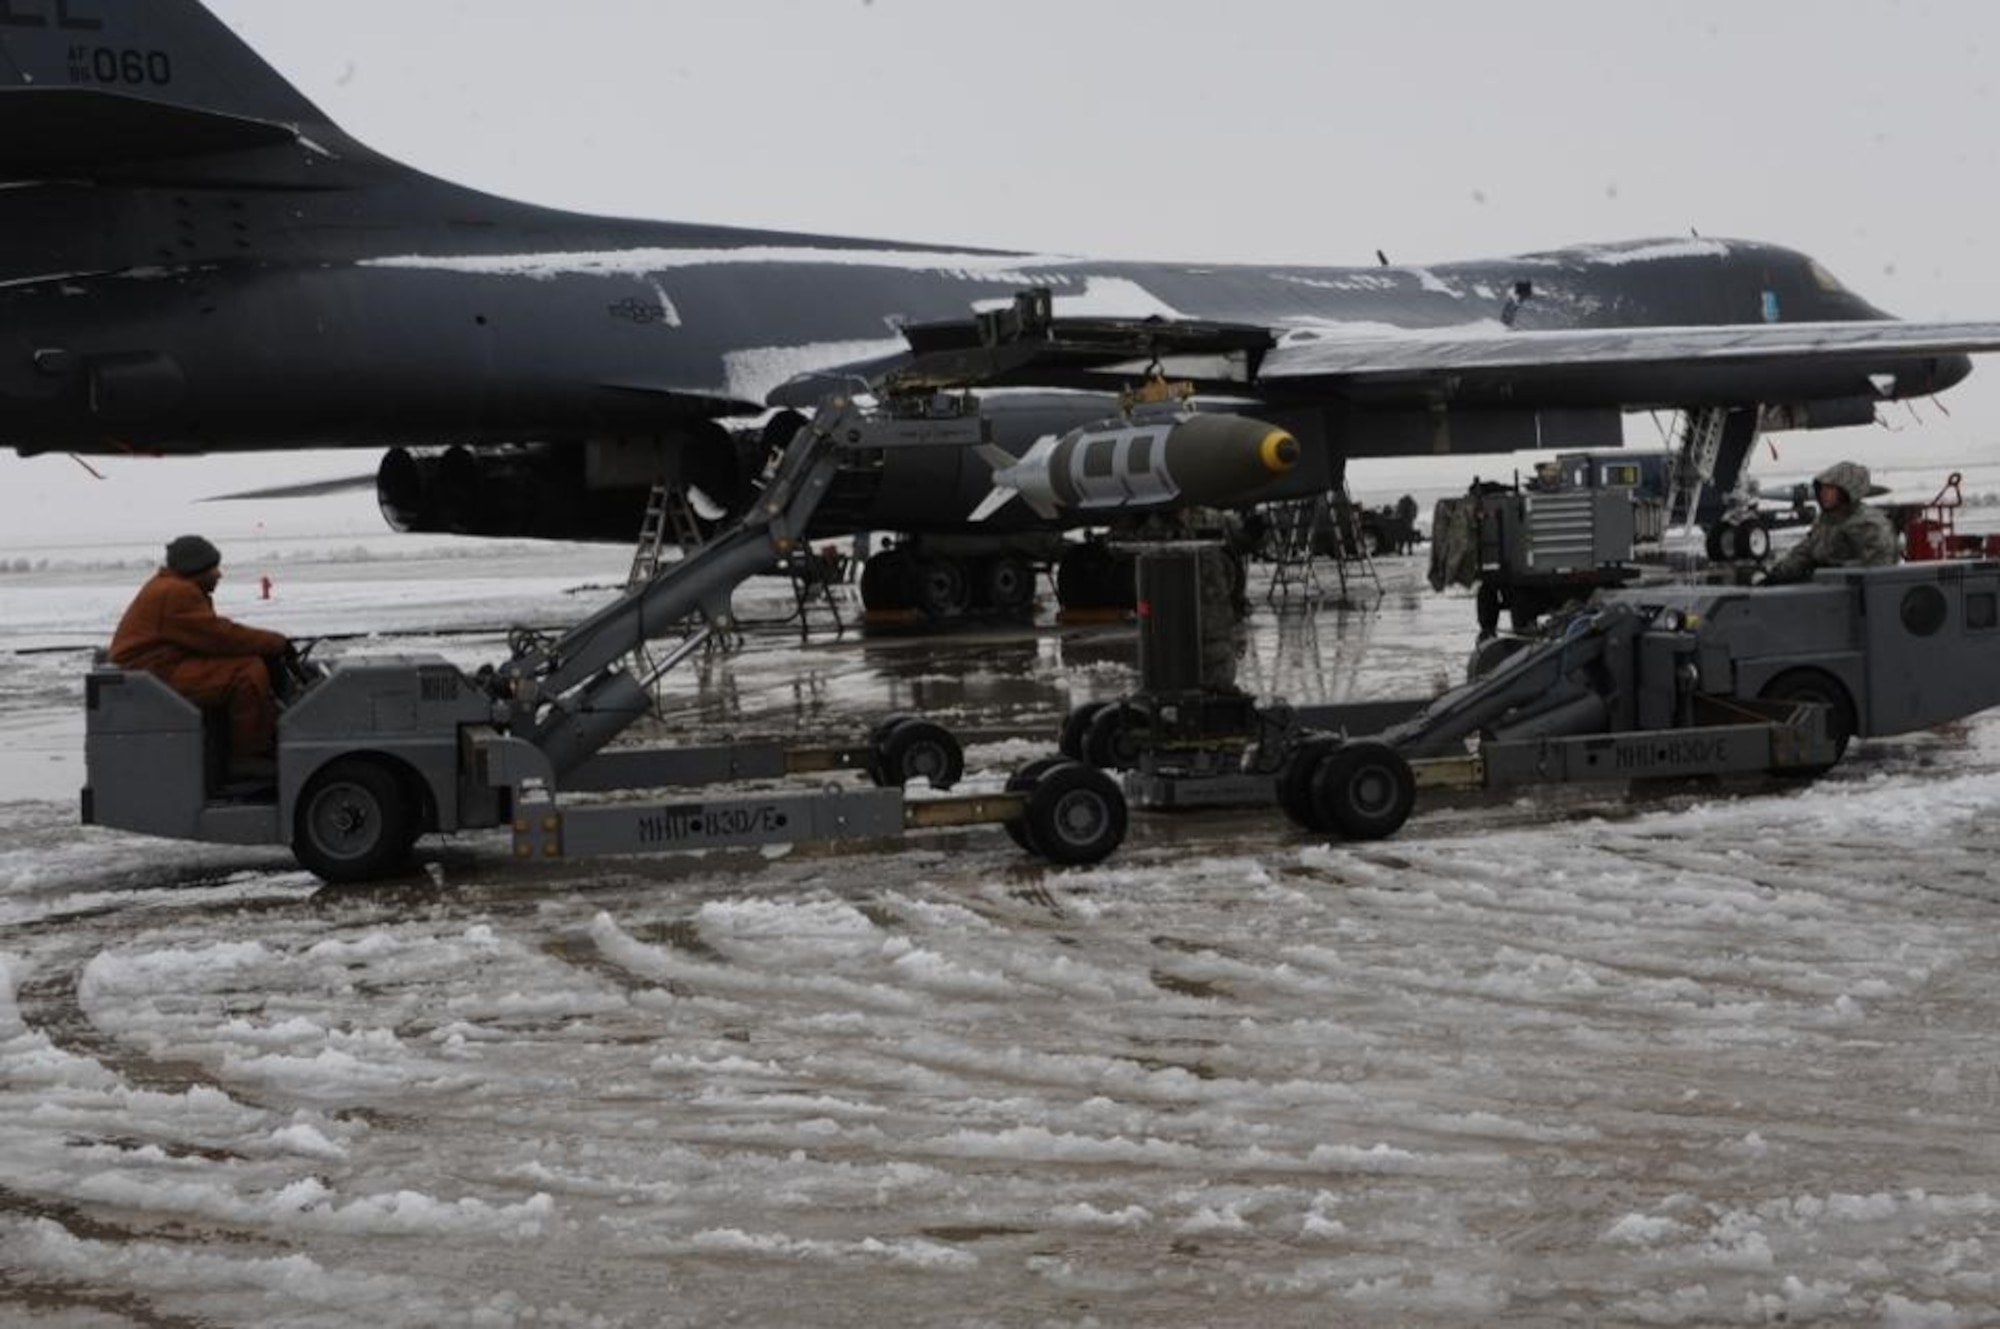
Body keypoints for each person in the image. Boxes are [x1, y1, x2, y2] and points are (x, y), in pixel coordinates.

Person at [110, 535, 292, 774]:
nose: (219, 574)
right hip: (157, 673)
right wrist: (275, 643)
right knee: (247, 673)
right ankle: (247, 756)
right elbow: (220, 637)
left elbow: (210, 637)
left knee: (244, 663)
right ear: (195, 569)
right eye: (212, 568)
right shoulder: (176, 592)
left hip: (157, 667)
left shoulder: (171, 586)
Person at [1758, 460, 1898, 584]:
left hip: (1854, 594)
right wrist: (1776, 575)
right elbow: (1805, 551)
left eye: (1831, 489)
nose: (1824, 493)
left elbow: (1879, 567)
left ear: (1846, 491)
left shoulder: (1869, 523)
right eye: (1822, 488)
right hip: (1824, 589)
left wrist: (1832, 571)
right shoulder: (1826, 520)